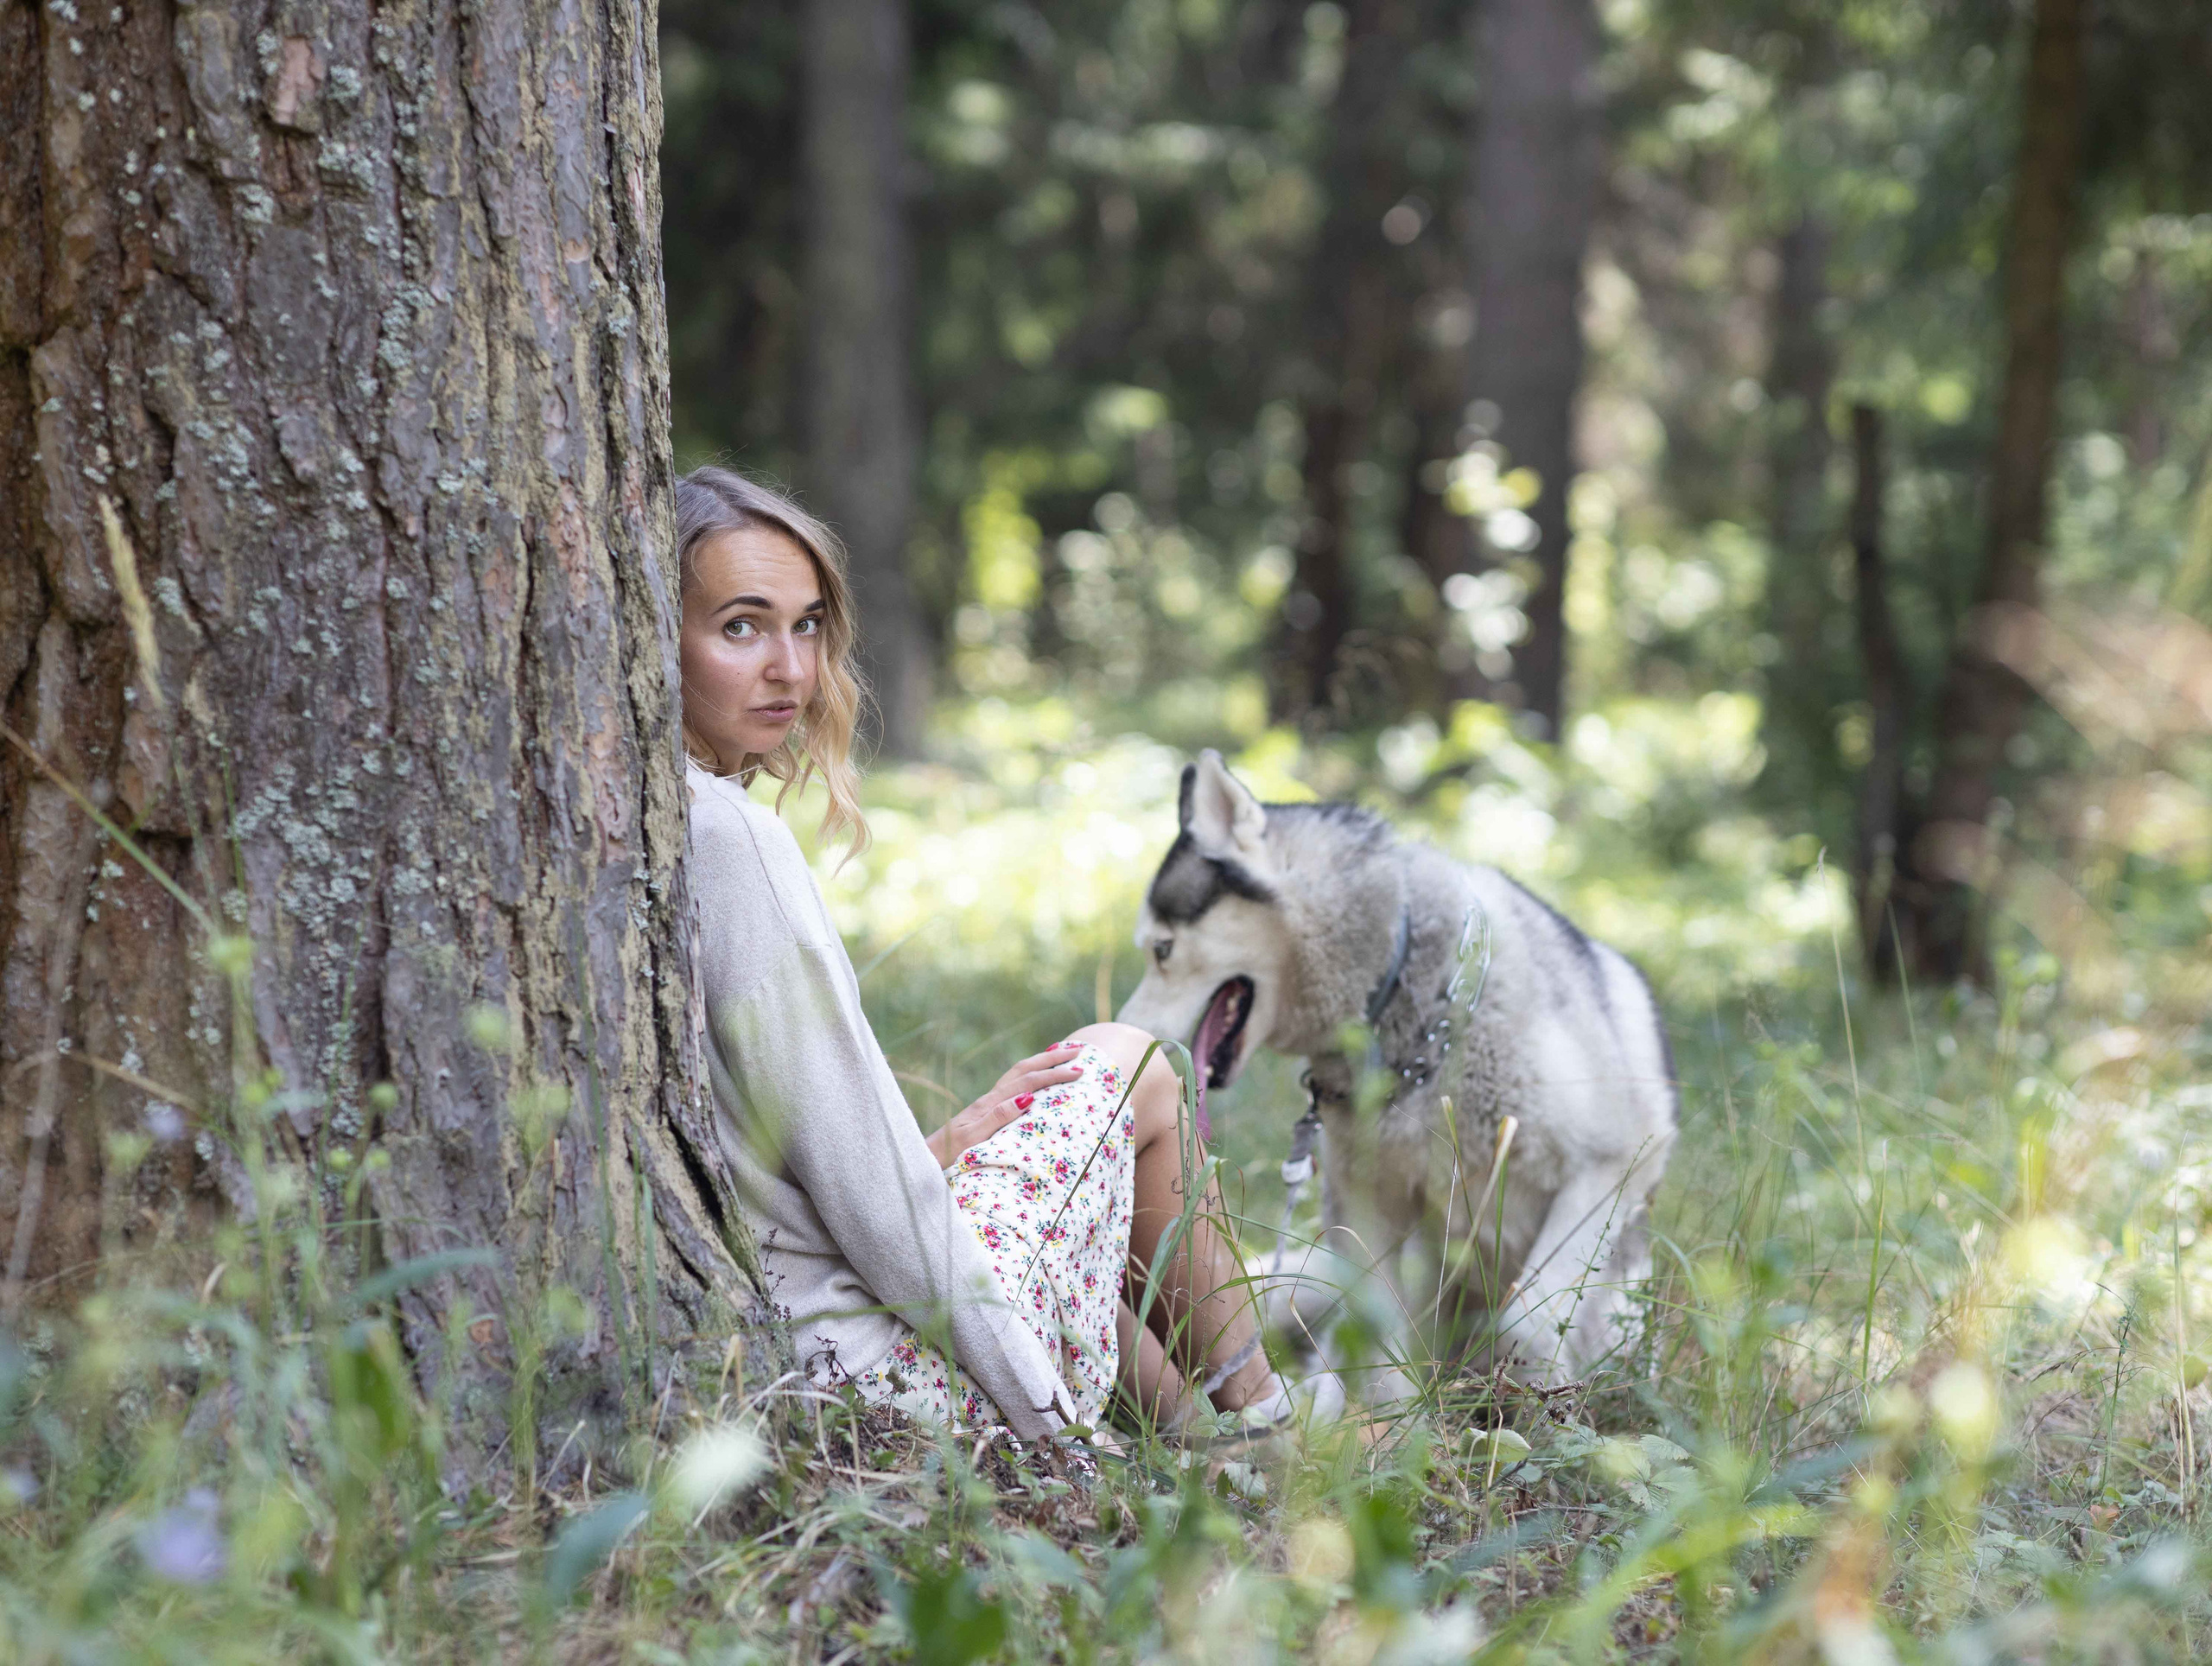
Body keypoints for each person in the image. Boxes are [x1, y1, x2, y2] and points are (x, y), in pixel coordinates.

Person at [677, 466, 1305, 1444]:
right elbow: (878, 1213)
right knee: (1131, 1065)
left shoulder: (652, 812)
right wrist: (1054, 1430)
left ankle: (1209, 1446)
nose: (792, 671)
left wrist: (950, 1143)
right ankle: (1265, 1421)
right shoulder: (730, 839)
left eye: (806, 626)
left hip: (789, 1352)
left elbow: (784, 1186)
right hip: (878, 1380)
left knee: (1044, 1160)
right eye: (741, 627)